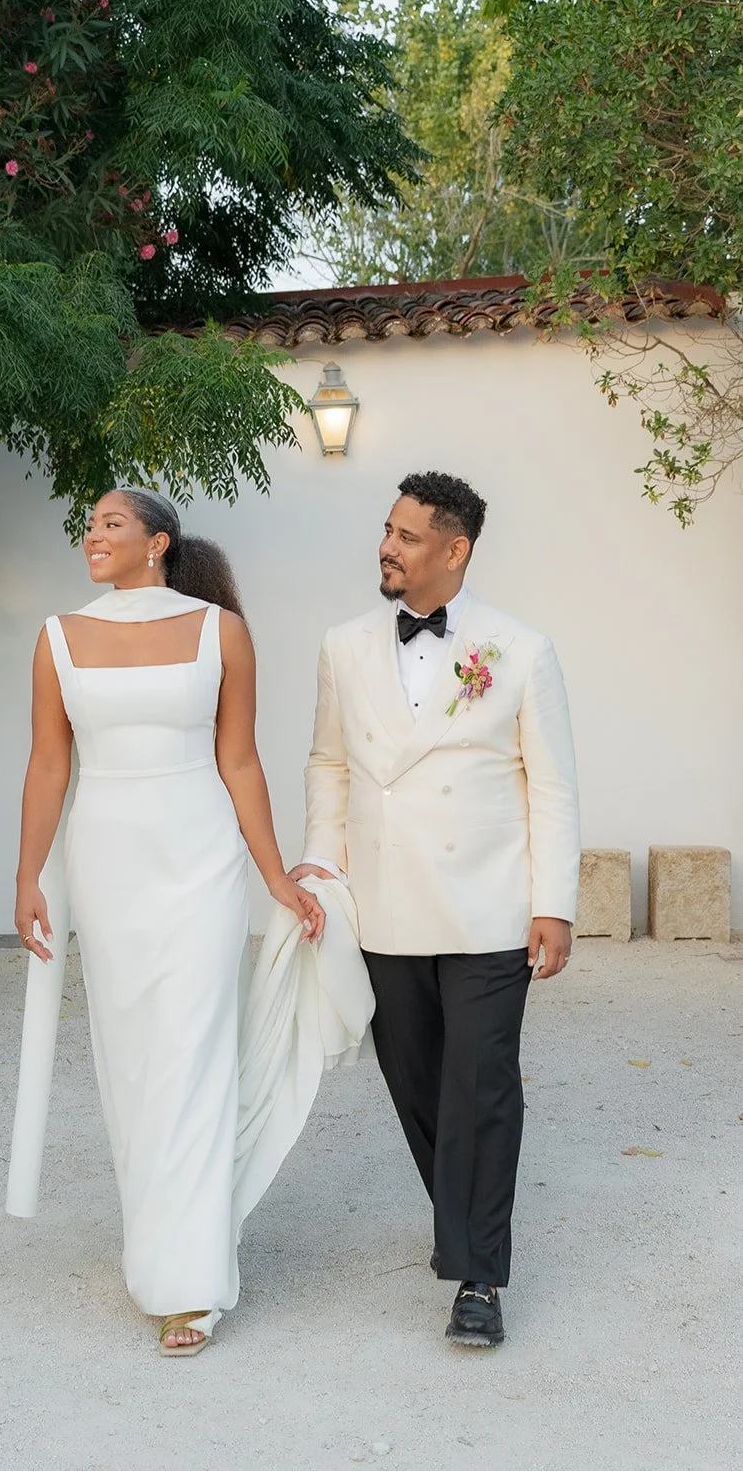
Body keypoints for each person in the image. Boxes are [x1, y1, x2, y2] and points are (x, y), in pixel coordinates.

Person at [13, 487, 325, 1356]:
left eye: (110, 522)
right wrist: (28, 874)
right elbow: (47, 765)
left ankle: (189, 1282)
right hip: (107, 858)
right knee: (133, 1058)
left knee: (192, 1052)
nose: (92, 535)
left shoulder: (219, 630)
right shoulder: (56, 637)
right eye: (87, 524)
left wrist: (274, 876)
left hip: (201, 857)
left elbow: (239, 760)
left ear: (158, 542)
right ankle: (157, 1238)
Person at [291, 470, 580, 1347]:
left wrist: (553, 904)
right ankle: (462, 1215)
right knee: (415, 1080)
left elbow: (552, 786)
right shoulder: (341, 645)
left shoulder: (520, 649)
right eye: (387, 530)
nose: (387, 546)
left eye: (408, 537)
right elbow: (328, 764)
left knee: (482, 1086)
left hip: (489, 906)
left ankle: (478, 1276)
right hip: (382, 902)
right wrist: (317, 866)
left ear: (454, 551)